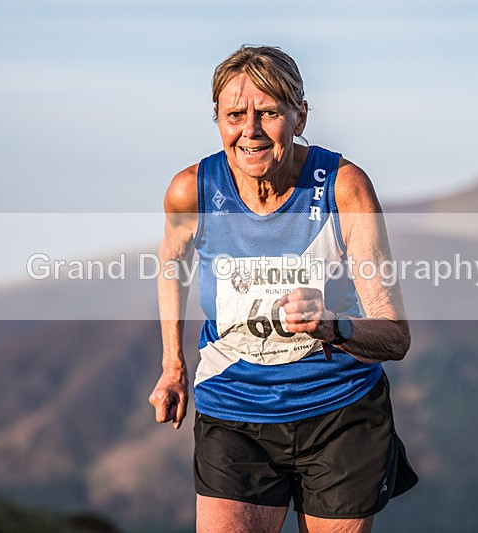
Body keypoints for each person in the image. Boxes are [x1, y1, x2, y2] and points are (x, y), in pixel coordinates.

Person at [149, 45, 417, 533]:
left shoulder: (343, 186)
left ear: (300, 115)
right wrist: (173, 365)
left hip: (341, 413)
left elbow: (395, 337)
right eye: (233, 115)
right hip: (233, 411)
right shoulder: (192, 190)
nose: (249, 131)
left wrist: (332, 326)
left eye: (269, 112)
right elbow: (171, 266)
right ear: (216, 119)